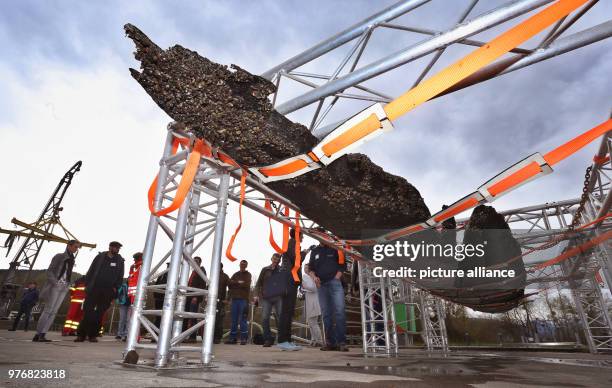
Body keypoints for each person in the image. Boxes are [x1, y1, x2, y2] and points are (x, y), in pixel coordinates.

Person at [75, 241, 124, 343]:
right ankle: (81, 335)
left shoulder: (120, 261)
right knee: (88, 311)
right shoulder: (100, 257)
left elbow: (120, 277)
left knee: (99, 313)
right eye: (116, 247)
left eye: (119, 248)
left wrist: (115, 288)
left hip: (108, 291)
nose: (117, 249)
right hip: (94, 288)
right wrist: (88, 284)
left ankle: (93, 335)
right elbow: (91, 270)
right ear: (110, 247)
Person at [33, 240, 80, 342]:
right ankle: (38, 334)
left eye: (77, 248)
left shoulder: (72, 259)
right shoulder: (59, 256)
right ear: (69, 245)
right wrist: (55, 282)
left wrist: (68, 284)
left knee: (54, 311)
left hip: (64, 287)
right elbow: (49, 271)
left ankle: (43, 334)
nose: (76, 249)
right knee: (48, 310)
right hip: (55, 286)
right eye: (75, 247)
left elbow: (68, 273)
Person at [309, 241, 348, 351]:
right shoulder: (314, 251)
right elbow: (311, 268)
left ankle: (342, 342)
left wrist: (336, 278)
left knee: (339, 311)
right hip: (321, 285)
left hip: (335, 283)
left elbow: (343, 265)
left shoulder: (335, 247)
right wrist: (314, 277)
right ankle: (330, 342)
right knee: (326, 314)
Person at [276, 229, 302, 351]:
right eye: (302, 235)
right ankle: (282, 340)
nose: (303, 238)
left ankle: (287, 340)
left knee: (289, 311)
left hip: (291, 281)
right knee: (286, 311)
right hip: (288, 280)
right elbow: (296, 259)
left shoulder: (293, 244)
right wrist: (305, 253)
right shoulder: (292, 243)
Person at [254, 253, 282, 347]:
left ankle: (281, 339)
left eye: (277, 259)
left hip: (279, 297)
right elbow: (258, 284)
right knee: (265, 318)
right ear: (271, 259)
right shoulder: (265, 270)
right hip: (266, 298)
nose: (275, 260)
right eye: (274, 258)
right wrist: (256, 295)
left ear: (279, 261)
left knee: (280, 319)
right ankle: (268, 339)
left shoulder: (282, 270)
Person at [225, 260, 251, 345]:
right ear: (239, 265)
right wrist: (238, 282)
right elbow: (229, 283)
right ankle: (233, 338)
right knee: (234, 320)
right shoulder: (235, 274)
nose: (242, 265)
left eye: (244, 264)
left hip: (243, 300)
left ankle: (244, 339)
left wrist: (234, 283)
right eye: (241, 264)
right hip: (234, 299)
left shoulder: (248, 275)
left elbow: (246, 285)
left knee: (243, 319)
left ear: (246, 266)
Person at [185, 256, 207, 342]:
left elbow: (202, 285)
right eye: (194, 261)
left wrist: (196, 296)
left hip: (194, 297)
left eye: (197, 261)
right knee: (187, 316)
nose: (195, 262)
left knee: (192, 316)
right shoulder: (193, 271)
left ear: (200, 262)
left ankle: (193, 336)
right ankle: (187, 335)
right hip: (189, 297)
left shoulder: (201, 271)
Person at [302, 264, 323, 347]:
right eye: (304, 268)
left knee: (313, 322)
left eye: (307, 268)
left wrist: (304, 286)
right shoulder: (305, 277)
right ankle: (313, 340)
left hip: (315, 301)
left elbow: (314, 288)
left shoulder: (313, 277)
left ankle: (319, 340)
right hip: (309, 302)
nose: (305, 269)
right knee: (310, 323)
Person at [213, 262, 230, 344]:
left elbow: (231, 288)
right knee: (211, 319)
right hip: (212, 301)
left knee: (219, 320)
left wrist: (227, 299)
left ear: (220, 267)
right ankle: (211, 337)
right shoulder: (213, 276)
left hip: (220, 302)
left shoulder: (225, 276)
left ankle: (217, 338)